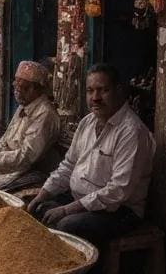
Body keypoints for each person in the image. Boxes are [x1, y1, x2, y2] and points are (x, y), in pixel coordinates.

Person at [28, 63, 155, 245]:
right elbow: (68, 165)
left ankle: (88, 272)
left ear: (119, 91)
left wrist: (66, 210)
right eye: (90, 91)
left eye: (103, 90)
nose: (95, 98)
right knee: (38, 208)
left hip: (119, 210)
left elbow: (118, 191)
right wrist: (42, 195)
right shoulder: (87, 122)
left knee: (66, 226)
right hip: (81, 198)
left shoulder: (132, 132)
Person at [0, 61, 62, 190]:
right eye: (16, 84)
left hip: (25, 170)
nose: (17, 90)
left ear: (37, 89)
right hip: (6, 162)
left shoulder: (45, 114)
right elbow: (6, 140)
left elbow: (26, 156)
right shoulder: (24, 105)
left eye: (24, 87)